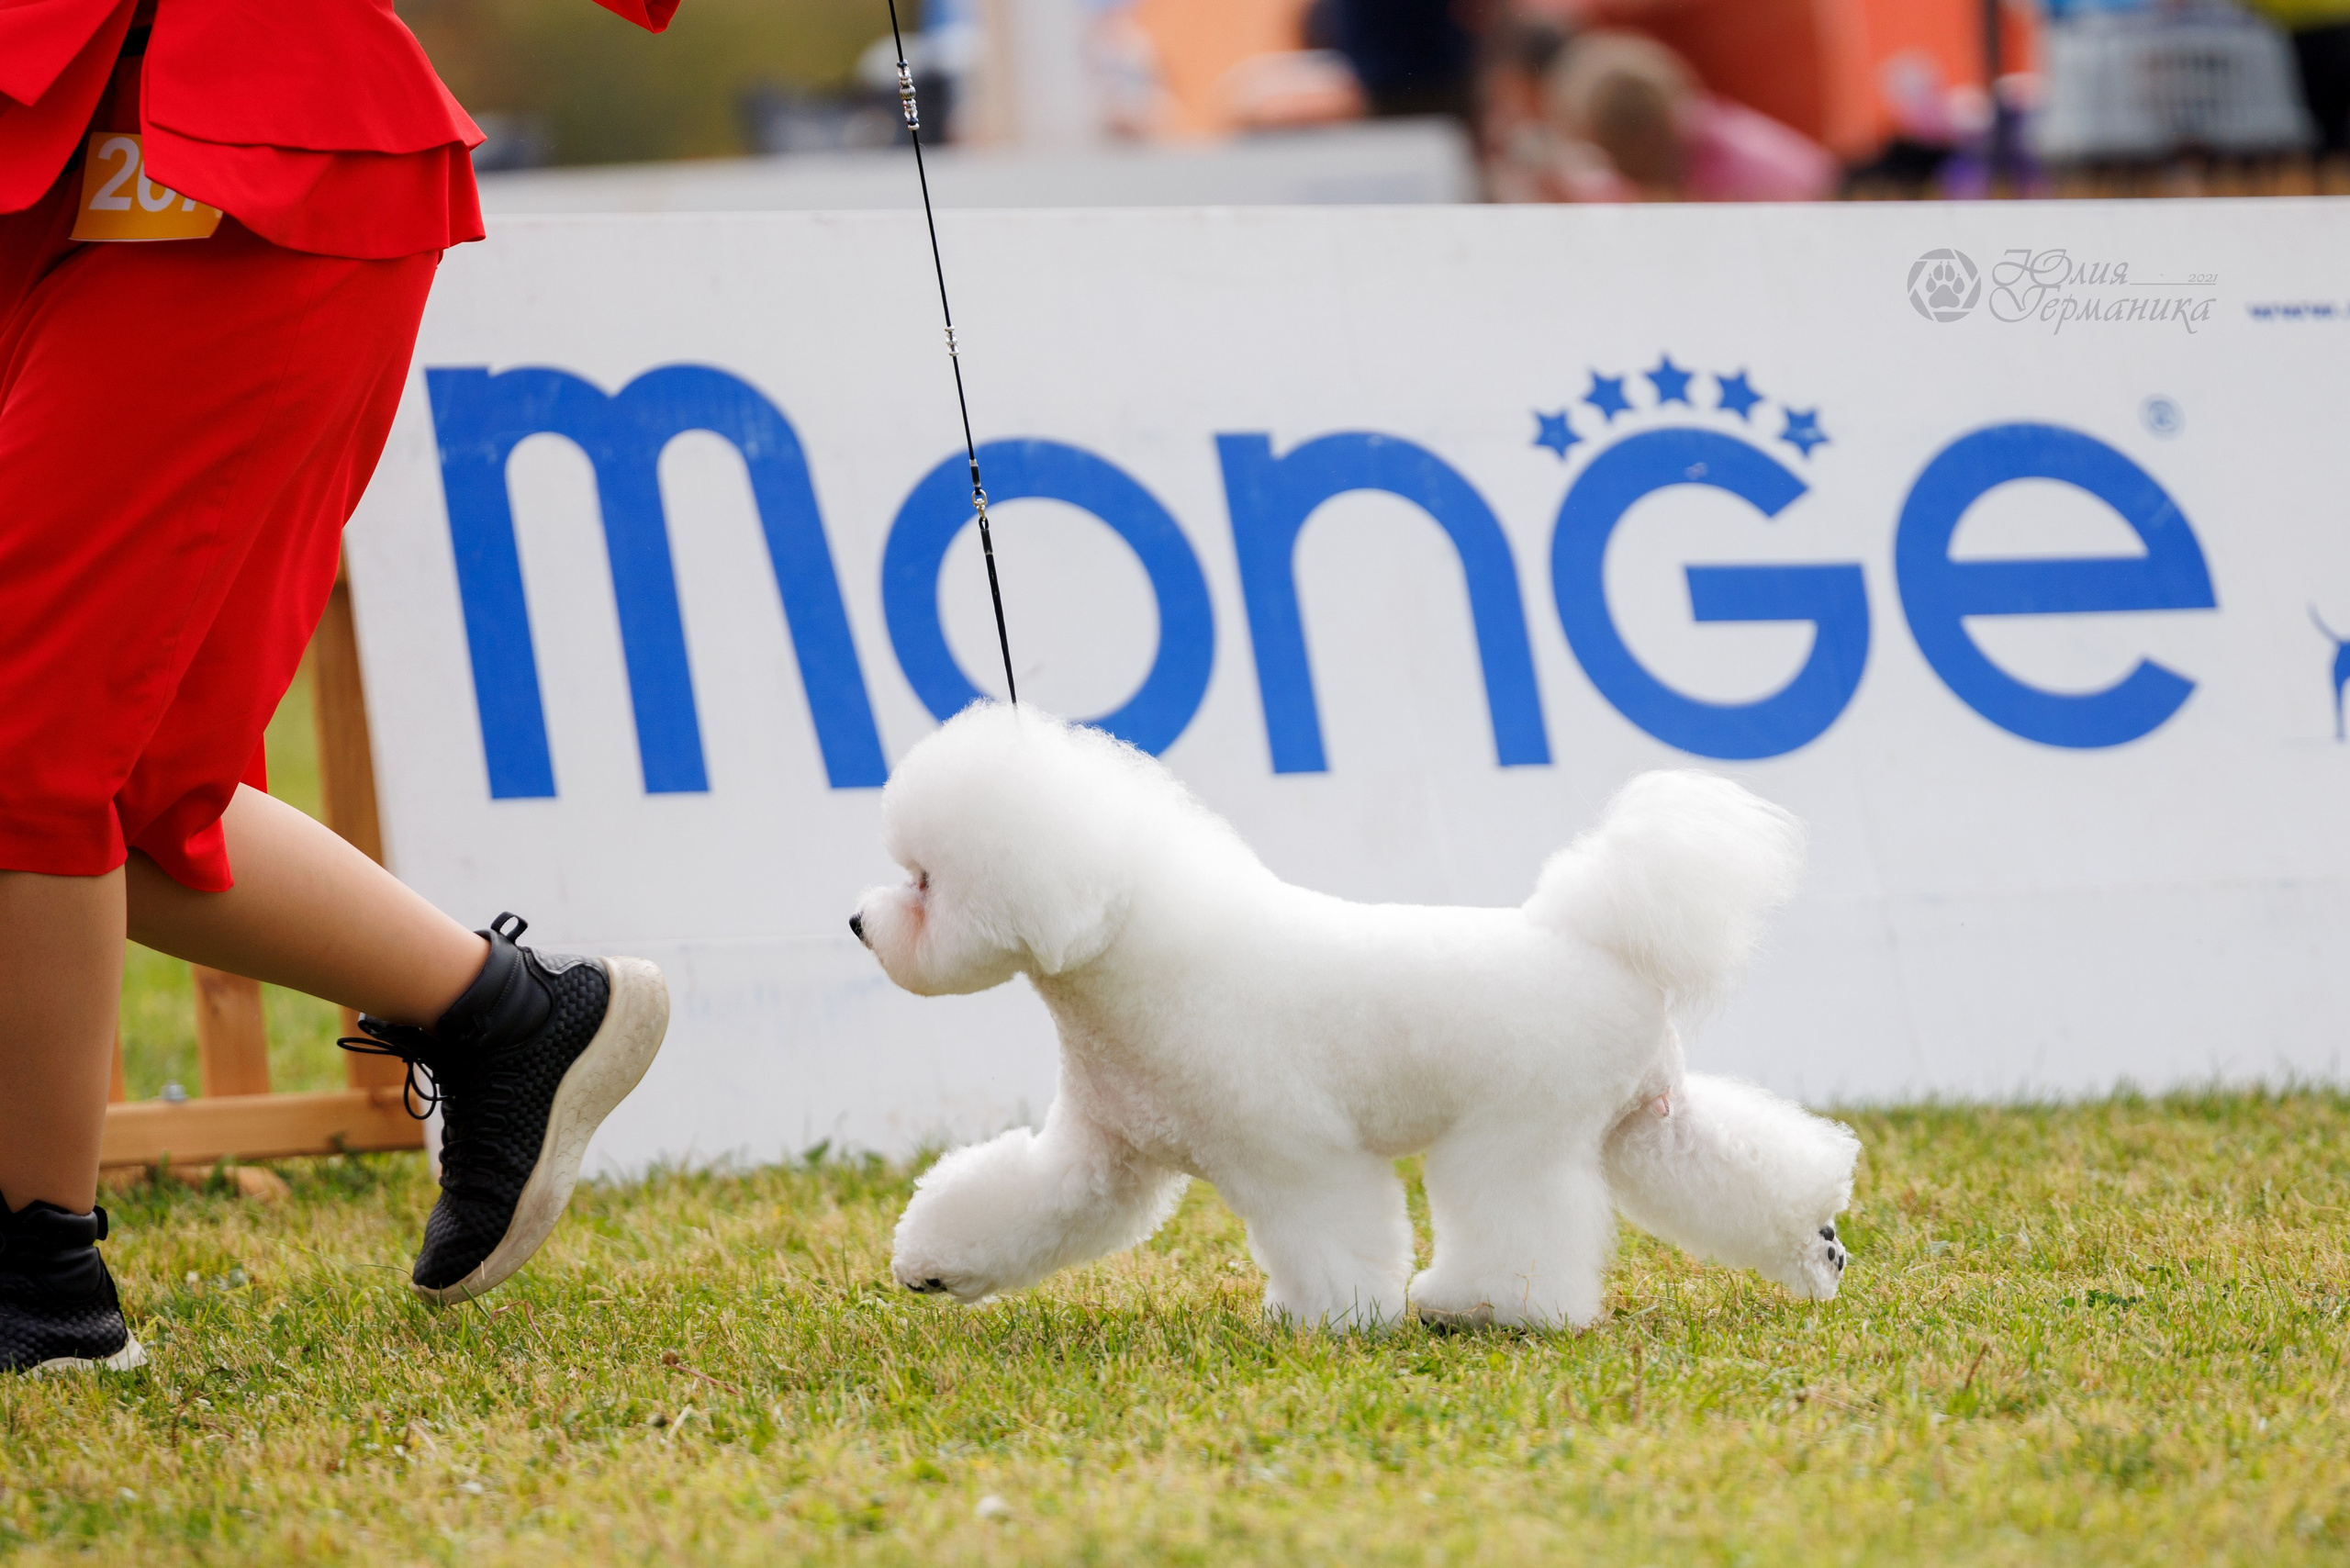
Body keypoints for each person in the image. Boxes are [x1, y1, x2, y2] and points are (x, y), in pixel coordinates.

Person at [0, 0, 679, 1376]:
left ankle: (40, 1292)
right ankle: (509, 1019)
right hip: (68, 170)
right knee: (121, 792)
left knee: (31, 752)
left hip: (237, 166)